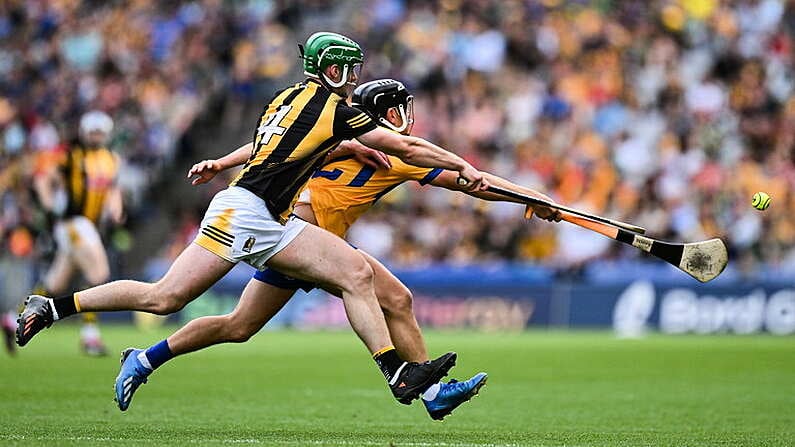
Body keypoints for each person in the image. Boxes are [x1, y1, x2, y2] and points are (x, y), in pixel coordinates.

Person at [16, 32, 488, 411]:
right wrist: (463, 164)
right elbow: (404, 146)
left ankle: (398, 372)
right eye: (351, 68)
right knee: (164, 297)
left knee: (355, 273)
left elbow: (281, 147)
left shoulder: (285, 98)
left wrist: (222, 161)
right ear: (334, 69)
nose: (355, 77)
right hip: (244, 213)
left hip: (274, 218)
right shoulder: (333, 109)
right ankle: (53, 306)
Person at [126, 79, 560, 420]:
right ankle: (420, 386)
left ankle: (146, 358)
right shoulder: (362, 142)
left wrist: (530, 198)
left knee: (240, 325)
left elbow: (473, 183)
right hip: (294, 236)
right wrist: (533, 198)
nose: (404, 117)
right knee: (389, 296)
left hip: (308, 243)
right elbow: (475, 183)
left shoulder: (341, 138)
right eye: (397, 110)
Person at [30, 111, 124, 356]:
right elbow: (42, 180)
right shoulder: (72, 156)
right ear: (84, 132)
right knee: (99, 273)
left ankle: (13, 318)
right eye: (92, 132)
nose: (96, 136)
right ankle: (90, 336)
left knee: (55, 282)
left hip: (89, 226)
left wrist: (116, 211)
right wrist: (49, 206)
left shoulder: (111, 158)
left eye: (99, 132)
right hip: (73, 222)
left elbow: (113, 190)